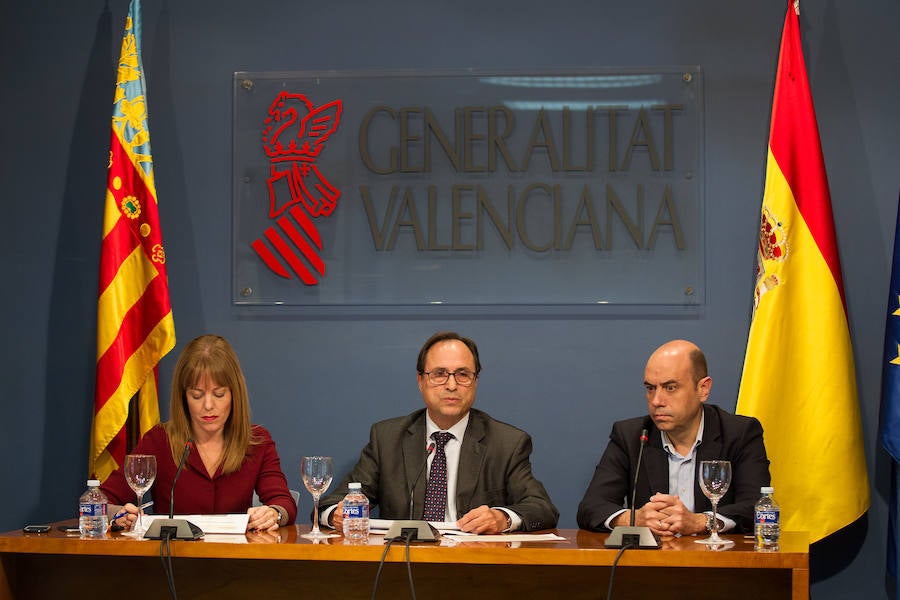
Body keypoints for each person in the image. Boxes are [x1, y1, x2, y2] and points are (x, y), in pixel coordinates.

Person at [319, 331, 558, 534]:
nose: (452, 385)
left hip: (475, 569)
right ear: (420, 380)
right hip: (402, 566)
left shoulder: (507, 443)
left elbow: (542, 508)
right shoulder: (387, 438)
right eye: (439, 374)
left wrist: (502, 518)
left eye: (463, 374)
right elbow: (330, 503)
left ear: (475, 381)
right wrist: (335, 516)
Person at [102, 335, 297, 532]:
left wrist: (273, 513)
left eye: (219, 394)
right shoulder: (160, 440)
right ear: (183, 397)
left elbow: (283, 502)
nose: (208, 406)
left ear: (234, 394)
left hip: (236, 557)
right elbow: (101, 500)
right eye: (196, 395)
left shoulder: (256, 441)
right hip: (173, 557)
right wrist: (120, 514)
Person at [577, 339, 770, 536]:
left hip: (717, 562)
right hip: (652, 563)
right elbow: (591, 507)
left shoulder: (740, 433)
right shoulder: (632, 436)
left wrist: (701, 522)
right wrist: (633, 519)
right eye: (650, 388)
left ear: (703, 389)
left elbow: (758, 508)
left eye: (670, 388)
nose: (656, 401)